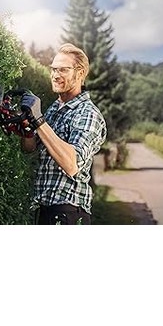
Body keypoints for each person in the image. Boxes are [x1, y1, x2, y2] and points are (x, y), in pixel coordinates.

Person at [20, 43, 107, 225]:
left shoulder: (88, 113)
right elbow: (30, 148)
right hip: (44, 209)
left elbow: (71, 164)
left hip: (69, 212)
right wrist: (26, 126)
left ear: (80, 73)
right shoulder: (55, 108)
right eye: (53, 69)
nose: (55, 75)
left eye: (63, 70)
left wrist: (39, 121)